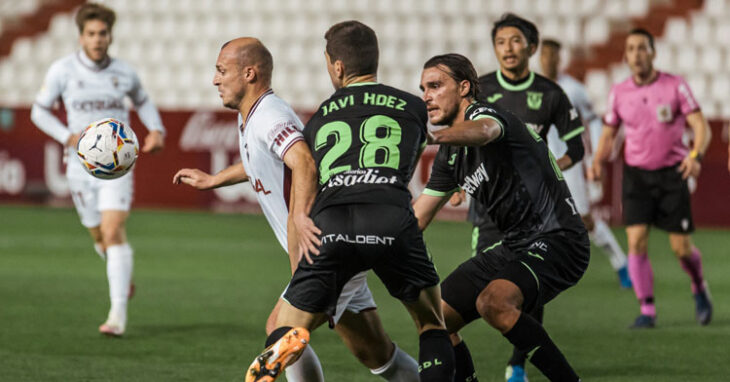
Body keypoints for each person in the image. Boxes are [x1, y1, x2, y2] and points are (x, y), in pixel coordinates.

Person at [173, 37, 420, 382]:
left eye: (221, 71)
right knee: (376, 355)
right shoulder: (254, 117)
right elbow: (262, 159)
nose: (215, 80)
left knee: (280, 328)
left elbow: (303, 160)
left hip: (326, 246)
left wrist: (299, 220)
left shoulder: (269, 115)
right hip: (334, 243)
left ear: (248, 73)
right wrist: (215, 179)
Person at [244, 21, 455, 382]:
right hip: (390, 219)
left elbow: (308, 176)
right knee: (432, 325)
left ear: (338, 66)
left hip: (332, 226)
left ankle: (283, 343)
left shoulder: (319, 118)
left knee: (285, 325)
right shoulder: (412, 107)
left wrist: (300, 229)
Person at [414, 53, 589, 382]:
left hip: (558, 237)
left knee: (493, 303)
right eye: (423, 88)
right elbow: (417, 217)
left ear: (464, 87)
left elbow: (484, 131)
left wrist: (432, 137)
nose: (426, 96)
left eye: (435, 86)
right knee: (436, 319)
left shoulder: (486, 113)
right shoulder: (450, 156)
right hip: (515, 244)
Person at [30, 3, 165, 337]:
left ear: (110, 35)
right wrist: (67, 136)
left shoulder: (124, 72)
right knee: (99, 236)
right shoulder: (62, 71)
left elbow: (144, 100)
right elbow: (38, 111)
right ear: (81, 36)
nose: (97, 39)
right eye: (91, 33)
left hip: (118, 167)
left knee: (114, 230)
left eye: (103, 33)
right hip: (79, 167)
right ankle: (120, 273)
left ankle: (117, 314)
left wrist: (156, 130)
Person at [589, 28, 713, 328]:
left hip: (673, 174)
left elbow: (701, 127)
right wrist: (596, 161)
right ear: (626, 56)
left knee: (681, 248)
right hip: (637, 177)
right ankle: (647, 309)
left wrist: (695, 156)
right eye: (631, 49)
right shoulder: (619, 92)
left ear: (653, 53)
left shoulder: (675, 86)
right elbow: (608, 133)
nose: (637, 54)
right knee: (636, 242)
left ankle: (699, 286)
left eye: (642, 48)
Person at [540, 38, 632, 289]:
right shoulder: (531, 88)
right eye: (544, 54)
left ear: (560, 59)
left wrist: (594, 160)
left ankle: (621, 264)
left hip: (568, 163)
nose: (548, 59)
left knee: (584, 220)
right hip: (538, 165)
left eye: (553, 55)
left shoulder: (574, 89)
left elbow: (593, 122)